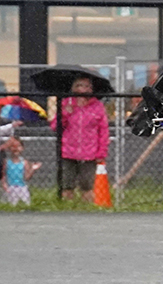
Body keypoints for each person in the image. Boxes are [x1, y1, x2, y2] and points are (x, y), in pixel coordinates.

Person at [50, 76, 109, 204]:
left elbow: (103, 131)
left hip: (89, 153)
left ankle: (86, 210)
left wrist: (101, 152)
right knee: (67, 185)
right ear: (74, 88)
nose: (84, 89)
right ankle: (66, 208)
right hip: (68, 151)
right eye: (80, 85)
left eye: (87, 86)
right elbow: (55, 126)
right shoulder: (66, 103)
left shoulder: (97, 106)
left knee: (87, 186)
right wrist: (65, 113)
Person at [1, 137, 41, 205]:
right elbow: (3, 175)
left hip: (22, 187)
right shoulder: (6, 162)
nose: (16, 148)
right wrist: (4, 184)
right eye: (13, 146)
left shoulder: (24, 162)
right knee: (11, 204)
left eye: (18, 146)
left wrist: (32, 169)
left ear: (22, 148)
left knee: (25, 204)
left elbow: (26, 177)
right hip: (10, 187)